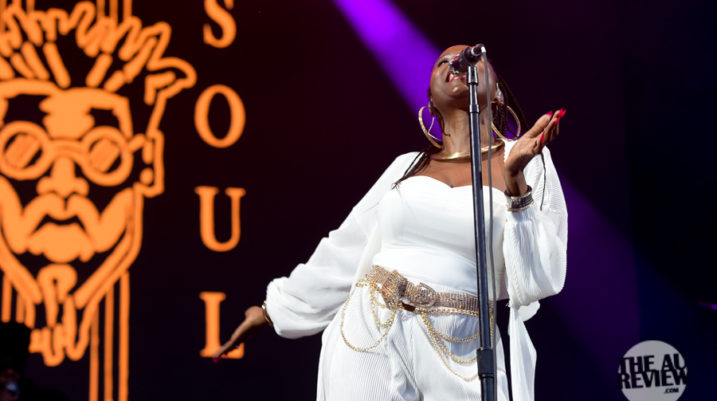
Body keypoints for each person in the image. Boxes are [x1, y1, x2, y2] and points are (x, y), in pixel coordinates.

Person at [214, 45, 567, 401]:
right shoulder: (406, 167)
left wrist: (515, 181)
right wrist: (275, 309)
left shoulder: (528, 160)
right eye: (443, 62)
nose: (456, 65)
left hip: (461, 342)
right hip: (370, 327)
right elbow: (347, 245)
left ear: (497, 90)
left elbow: (538, 277)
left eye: (472, 60)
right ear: (431, 100)